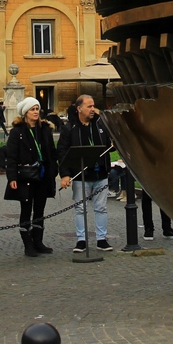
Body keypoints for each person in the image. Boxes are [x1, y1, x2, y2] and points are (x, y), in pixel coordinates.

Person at [56, 94, 114, 251]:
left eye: (93, 106)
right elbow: (62, 152)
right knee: (80, 208)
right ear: (79, 109)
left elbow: (110, 144)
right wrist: (65, 174)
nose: (92, 109)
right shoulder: (70, 128)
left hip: (100, 173)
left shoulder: (100, 125)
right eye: (89, 106)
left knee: (101, 207)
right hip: (80, 175)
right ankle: (81, 239)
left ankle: (102, 238)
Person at [5, 98, 57, 258]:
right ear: (25, 113)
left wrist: (54, 171)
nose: (35, 112)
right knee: (26, 209)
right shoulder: (17, 132)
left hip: (42, 175)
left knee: (40, 209)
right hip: (25, 175)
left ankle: (38, 241)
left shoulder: (45, 130)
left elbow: (52, 153)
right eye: (32, 109)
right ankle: (28, 244)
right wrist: (12, 177)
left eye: (37, 109)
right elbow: (11, 156)